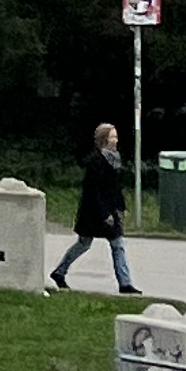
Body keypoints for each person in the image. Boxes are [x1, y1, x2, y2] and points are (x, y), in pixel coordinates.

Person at [50, 122, 136, 293]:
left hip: (110, 209)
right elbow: (93, 190)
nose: (116, 140)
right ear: (104, 139)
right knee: (84, 243)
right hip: (93, 212)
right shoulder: (95, 162)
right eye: (112, 137)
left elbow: (114, 187)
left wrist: (121, 206)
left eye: (116, 136)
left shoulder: (115, 160)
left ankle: (125, 283)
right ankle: (60, 272)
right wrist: (105, 214)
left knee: (117, 244)